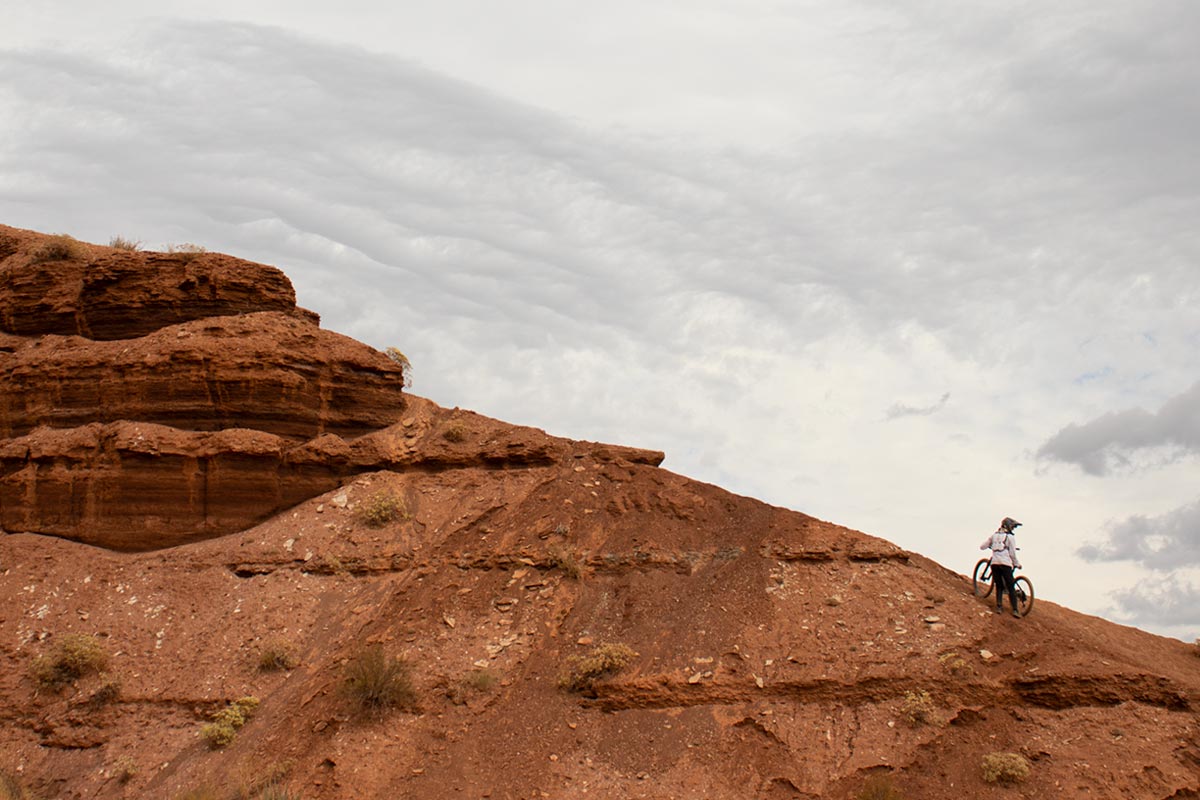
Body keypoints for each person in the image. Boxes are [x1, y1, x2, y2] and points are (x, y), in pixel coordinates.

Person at [980, 517, 1023, 618]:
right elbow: (1012, 554)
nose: (1012, 529)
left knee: (998, 585)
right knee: (1011, 587)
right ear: (1008, 526)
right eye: (1012, 527)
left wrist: (991, 545)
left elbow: (982, 546)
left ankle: (999, 607)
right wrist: (1016, 563)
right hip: (1005, 564)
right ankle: (1015, 610)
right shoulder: (1010, 538)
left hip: (994, 563)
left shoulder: (994, 535)